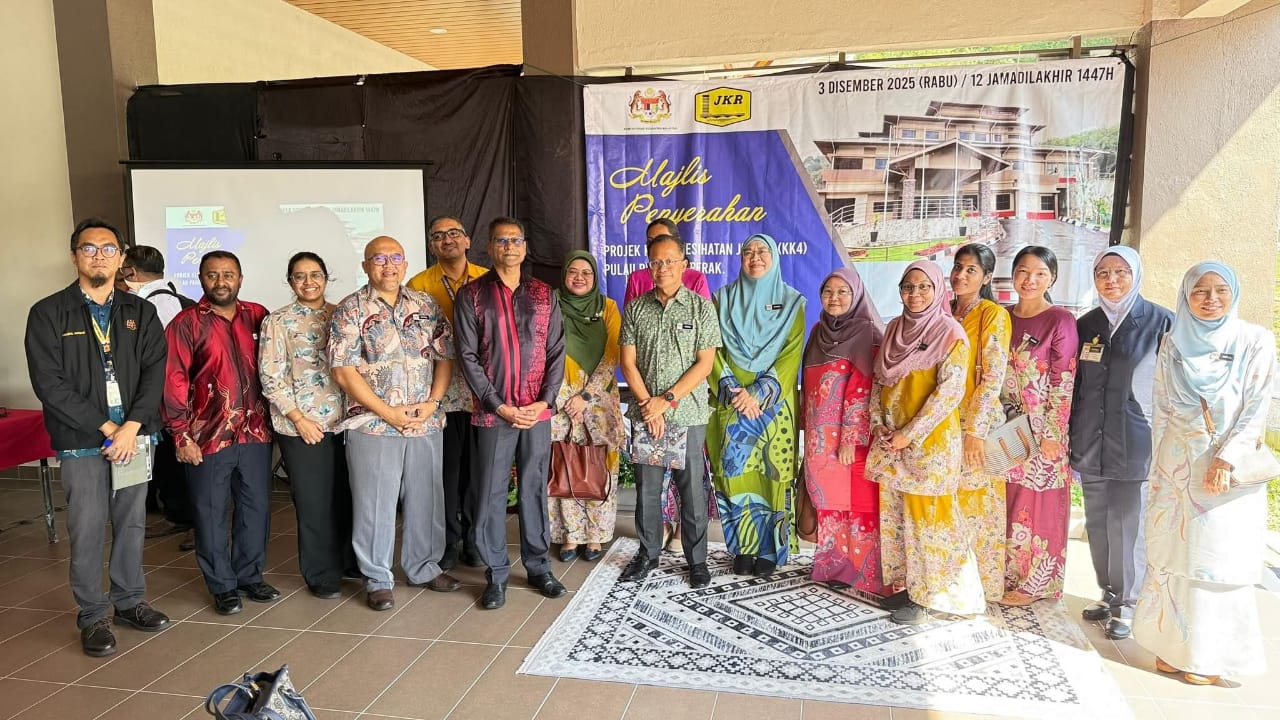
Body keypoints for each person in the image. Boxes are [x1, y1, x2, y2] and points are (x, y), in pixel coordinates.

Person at [25, 218, 172, 657]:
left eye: (108, 249)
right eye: (89, 249)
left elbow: (154, 373)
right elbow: (49, 383)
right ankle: (92, 614)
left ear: (122, 257)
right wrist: (108, 428)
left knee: (131, 521)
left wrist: (131, 427)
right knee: (87, 526)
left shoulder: (140, 312)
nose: (99, 256)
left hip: (134, 437)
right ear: (75, 256)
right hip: (82, 439)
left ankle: (128, 601)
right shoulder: (48, 313)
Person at [1133, 262, 1273, 685]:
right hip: (1176, 467)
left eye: (1219, 290)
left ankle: (1209, 657)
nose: (1210, 299)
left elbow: (1257, 407)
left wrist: (1227, 459)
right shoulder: (1173, 341)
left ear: (1234, 293)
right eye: (1199, 291)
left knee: (1214, 560)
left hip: (1223, 468)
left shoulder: (1254, 340)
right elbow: (1161, 405)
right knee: (1174, 554)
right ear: (1186, 296)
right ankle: (1172, 647)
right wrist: (1158, 465)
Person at [330, 236, 461, 612]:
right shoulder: (350, 309)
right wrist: (387, 412)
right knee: (375, 504)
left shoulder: (426, 304)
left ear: (405, 264)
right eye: (379, 258)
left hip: (424, 421)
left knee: (427, 498)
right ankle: (377, 578)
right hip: (373, 424)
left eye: (395, 258)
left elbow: (445, 357)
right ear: (365, 266)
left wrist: (433, 403)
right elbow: (343, 372)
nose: (388, 265)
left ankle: (424, 567)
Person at [453, 217, 568, 610]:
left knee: (534, 487)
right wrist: (497, 404)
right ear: (489, 247)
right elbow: (467, 356)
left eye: (515, 240)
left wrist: (544, 401)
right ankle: (497, 573)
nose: (509, 246)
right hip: (493, 413)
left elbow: (556, 351)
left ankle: (539, 567)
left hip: (536, 412)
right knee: (490, 492)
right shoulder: (472, 295)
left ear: (525, 246)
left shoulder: (543, 294)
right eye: (501, 241)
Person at [867, 260, 984, 625]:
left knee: (930, 522)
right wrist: (879, 425)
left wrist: (909, 434)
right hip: (892, 442)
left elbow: (949, 393)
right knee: (898, 518)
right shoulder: (893, 329)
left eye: (923, 287)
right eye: (908, 287)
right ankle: (910, 588)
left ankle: (939, 596)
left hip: (929, 446)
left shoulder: (950, 333)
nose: (915, 294)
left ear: (937, 290)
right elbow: (879, 381)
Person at [164, 250, 278, 616]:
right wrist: (181, 435)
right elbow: (173, 380)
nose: (221, 281)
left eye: (228, 274)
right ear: (201, 279)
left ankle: (249, 576)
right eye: (212, 275)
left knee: (255, 508)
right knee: (210, 512)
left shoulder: (258, 315)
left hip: (256, 432)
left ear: (240, 279)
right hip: (208, 436)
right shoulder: (185, 323)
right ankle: (222, 585)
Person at [1070, 247, 1172, 640]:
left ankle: (1128, 604)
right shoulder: (1087, 324)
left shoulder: (1161, 322)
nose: (1111, 280)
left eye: (1120, 272)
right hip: (1090, 438)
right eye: (1103, 272)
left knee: (1128, 523)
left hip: (1134, 439)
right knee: (1098, 523)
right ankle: (1108, 594)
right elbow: (1077, 384)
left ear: (1136, 275)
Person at [618, 234, 720, 588]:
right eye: (655, 262)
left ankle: (697, 560)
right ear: (649, 266)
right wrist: (651, 406)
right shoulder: (636, 308)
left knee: (691, 491)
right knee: (647, 489)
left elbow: (705, 364)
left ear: (683, 265)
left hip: (687, 414)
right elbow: (627, 362)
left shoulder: (701, 308)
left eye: (669, 261)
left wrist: (667, 400)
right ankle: (647, 554)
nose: (662, 268)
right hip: (647, 415)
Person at [259, 252, 357, 600]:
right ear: (290, 282)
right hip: (303, 427)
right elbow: (270, 378)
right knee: (314, 501)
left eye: (315, 274)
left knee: (347, 495)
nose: (308, 282)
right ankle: (321, 572)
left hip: (348, 424)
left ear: (326, 278)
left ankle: (349, 561)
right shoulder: (278, 321)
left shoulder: (342, 314)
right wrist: (300, 420)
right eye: (299, 276)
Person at [709, 234, 805, 578]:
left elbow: (791, 354)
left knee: (772, 473)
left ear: (775, 257)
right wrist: (735, 390)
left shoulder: (793, 303)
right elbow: (711, 349)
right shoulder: (721, 300)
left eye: (763, 251)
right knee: (733, 473)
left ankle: (770, 550)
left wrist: (757, 393)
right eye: (748, 252)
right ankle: (743, 547)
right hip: (732, 401)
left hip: (773, 406)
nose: (755, 257)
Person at [406, 215, 489, 569]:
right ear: (431, 246)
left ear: (468, 240)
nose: (447, 240)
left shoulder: (487, 278)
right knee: (447, 472)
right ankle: (449, 540)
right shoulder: (418, 285)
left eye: (454, 233)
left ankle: (476, 539)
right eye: (438, 236)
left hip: (483, 393)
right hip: (439, 394)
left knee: (479, 472)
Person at [1000, 246, 1078, 606]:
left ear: (1052, 278)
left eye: (1040, 273)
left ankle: (1036, 583)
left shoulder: (1060, 320)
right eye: (1022, 271)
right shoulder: (1001, 316)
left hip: (1043, 430)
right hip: (1004, 428)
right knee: (1008, 501)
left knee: (1039, 506)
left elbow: (1064, 380)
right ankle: (1004, 575)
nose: (1029, 279)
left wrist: (1052, 435)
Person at [801, 267, 885, 593]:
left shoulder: (867, 333)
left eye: (842, 292)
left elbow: (864, 387)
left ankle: (865, 572)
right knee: (830, 503)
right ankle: (834, 568)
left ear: (856, 295)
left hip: (850, 440)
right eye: (828, 291)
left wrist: (851, 438)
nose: (834, 298)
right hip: (819, 439)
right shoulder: (817, 331)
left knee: (859, 504)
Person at [548, 251, 625, 561]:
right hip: (559, 400)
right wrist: (563, 397)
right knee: (564, 463)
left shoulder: (608, 307)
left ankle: (595, 536)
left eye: (586, 273)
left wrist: (585, 396)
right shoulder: (550, 304)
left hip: (599, 402)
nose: (579, 277)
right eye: (573, 271)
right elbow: (541, 350)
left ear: (594, 277)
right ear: (564, 274)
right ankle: (569, 536)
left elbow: (614, 353)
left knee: (599, 465)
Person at [948, 243, 1012, 602]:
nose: (961, 275)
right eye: (958, 267)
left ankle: (976, 588)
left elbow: (992, 377)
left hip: (974, 427)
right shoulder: (943, 310)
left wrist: (975, 432)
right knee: (947, 507)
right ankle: (945, 584)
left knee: (977, 510)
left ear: (986, 278)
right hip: (941, 424)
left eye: (971, 270)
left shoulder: (992, 315)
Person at [123, 245, 195, 550]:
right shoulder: (177, 298)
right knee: (169, 458)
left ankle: (189, 518)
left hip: (164, 394)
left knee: (176, 458)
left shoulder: (148, 305)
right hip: (173, 393)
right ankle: (178, 514)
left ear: (130, 271)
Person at [622, 219, 711, 305]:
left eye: (662, 239)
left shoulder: (697, 279)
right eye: (650, 241)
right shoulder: (636, 279)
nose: (656, 245)